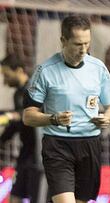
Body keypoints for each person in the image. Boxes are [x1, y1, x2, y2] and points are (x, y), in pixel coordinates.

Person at [23, 15, 110, 203]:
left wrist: (107, 118)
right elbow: (28, 116)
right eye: (77, 44)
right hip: (58, 145)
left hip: (90, 144)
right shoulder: (45, 71)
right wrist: (54, 119)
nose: (83, 49)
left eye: (87, 43)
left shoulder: (98, 68)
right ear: (63, 41)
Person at [0, 54, 44, 203]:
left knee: (35, 198)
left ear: (19, 70)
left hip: (38, 155)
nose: (5, 81)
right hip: (25, 154)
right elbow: (15, 125)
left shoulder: (35, 89)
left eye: (6, 75)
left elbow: (25, 115)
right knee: (14, 198)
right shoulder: (17, 94)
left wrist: (9, 117)